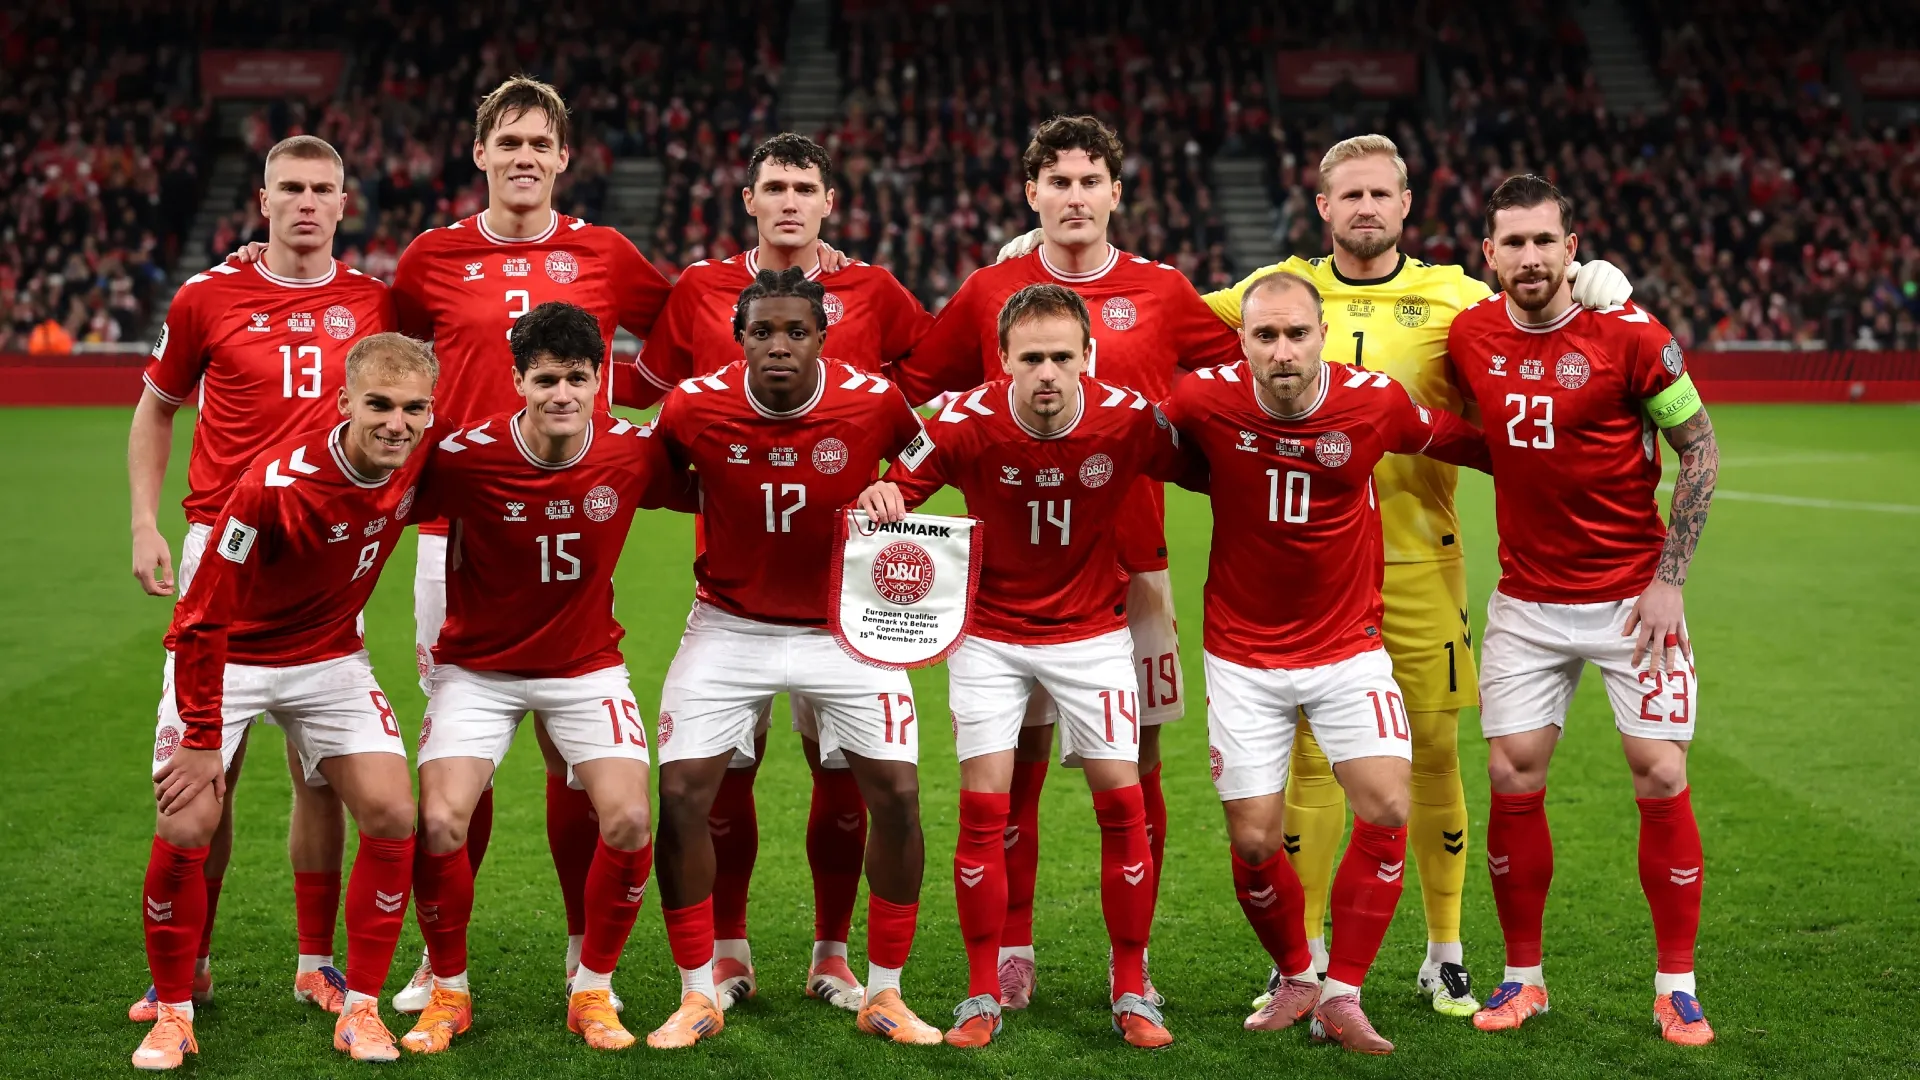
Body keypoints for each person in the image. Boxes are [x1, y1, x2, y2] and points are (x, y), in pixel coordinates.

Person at [1200, 135, 1633, 1016]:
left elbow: (1539, 333)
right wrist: (1046, 260)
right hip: (1310, 570)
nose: (1365, 208)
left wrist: (1596, 288)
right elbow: (1149, 316)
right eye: (1349, 194)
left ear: (1405, 205)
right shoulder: (1273, 290)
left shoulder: (1458, 297)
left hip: (1419, 560)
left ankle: (1445, 950)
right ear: (1323, 207)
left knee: (1433, 756)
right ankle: (1305, 956)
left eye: (1380, 194)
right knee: (1311, 764)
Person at [889, 115, 1241, 1008]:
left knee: (1137, 770)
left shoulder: (1163, 289)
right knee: (1017, 767)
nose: (1075, 196)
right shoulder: (989, 290)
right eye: (1059, 181)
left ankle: (1135, 965)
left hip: (1135, 566)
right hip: (1010, 579)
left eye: (1091, 181)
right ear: (1031, 192)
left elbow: (1237, 380)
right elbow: (912, 388)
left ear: (1116, 193)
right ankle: (1012, 949)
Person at [622, 132, 934, 1011]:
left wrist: (894, 488)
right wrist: (721, 490)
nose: (789, 200)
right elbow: (649, 456)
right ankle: (721, 959)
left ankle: (841, 960)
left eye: (805, 186)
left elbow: (928, 432)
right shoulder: (699, 303)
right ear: (750, 199)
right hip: (731, 604)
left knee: (857, 785)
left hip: (847, 611)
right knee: (716, 783)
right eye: (775, 186)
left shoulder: (875, 314)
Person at [385, 74, 672, 1013]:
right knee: (459, 758)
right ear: (480, 154)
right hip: (455, 534)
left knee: (571, 755)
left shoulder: (606, 253)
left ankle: (585, 952)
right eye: (507, 142)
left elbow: (682, 330)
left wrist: (633, 414)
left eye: (539, 143)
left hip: (574, 518)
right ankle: (440, 962)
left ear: (563, 157)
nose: (523, 157)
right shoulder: (432, 257)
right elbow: (386, 365)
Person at [1160, 270, 1490, 1054]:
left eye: (1296, 334)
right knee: (1253, 843)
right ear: (1242, 343)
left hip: (1347, 649)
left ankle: (1343, 993)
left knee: (1388, 805)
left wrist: (1568, 454)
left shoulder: (1372, 402)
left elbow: (1466, 442)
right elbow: (1116, 436)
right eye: (1265, 335)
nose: (1282, 351)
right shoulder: (1202, 400)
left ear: (1321, 338)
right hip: (1242, 655)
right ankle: (1295, 973)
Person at [858, 284, 1192, 1049]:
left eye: (1062, 357)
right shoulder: (963, 420)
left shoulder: (1129, 419)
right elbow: (896, 485)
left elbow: (1209, 465)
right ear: (1003, 359)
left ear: (1088, 357)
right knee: (986, 809)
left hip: (1092, 635)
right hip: (990, 638)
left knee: (1123, 804)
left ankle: (1132, 987)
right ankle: (982, 993)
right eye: (1031, 357)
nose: (1047, 372)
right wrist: (883, 493)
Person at [1445, 175, 1719, 1046]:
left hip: (1635, 599)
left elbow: (1700, 449)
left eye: (1544, 241)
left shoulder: (1634, 335)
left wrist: (1670, 578)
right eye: (1513, 243)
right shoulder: (1469, 335)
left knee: (1660, 772)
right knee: (1512, 773)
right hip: (1526, 603)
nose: (1529, 257)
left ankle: (1676, 987)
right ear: (1488, 254)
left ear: (1571, 247)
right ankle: (1523, 979)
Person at [126, 134, 394, 1022]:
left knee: (320, 775)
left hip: (326, 554)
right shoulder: (207, 295)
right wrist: (145, 522)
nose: (307, 202)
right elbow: (156, 409)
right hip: (223, 548)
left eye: (322, 189)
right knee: (213, 776)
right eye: (291, 188)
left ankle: (316, 963)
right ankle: (191, 964)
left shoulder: (375, 301)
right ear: (264, 200)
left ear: (344, 203)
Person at [397, 301, 698, 1054]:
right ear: (517, 382)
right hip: (478, 672)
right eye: (545, 380)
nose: (562, 394)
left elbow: (724, 487)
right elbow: (372, 499)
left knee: (629, 819)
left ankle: (591, 987)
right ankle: (448, 991)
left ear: (600, 380)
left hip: (585, 667)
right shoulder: (463, 456)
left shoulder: (634, 451)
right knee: (439, 822)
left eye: (576, 378)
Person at [133, 332, 437, 1070]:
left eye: (413, 408)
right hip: (230, 657)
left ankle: (360, 1008)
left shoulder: (426, 452)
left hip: (329, 658)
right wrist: (200, 736)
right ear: (343, 403)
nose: (397, 423)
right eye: (379, 406)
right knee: (188, 818)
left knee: (394, 812)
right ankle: (173, 1010)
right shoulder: (273, 486)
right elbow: (201, 618)